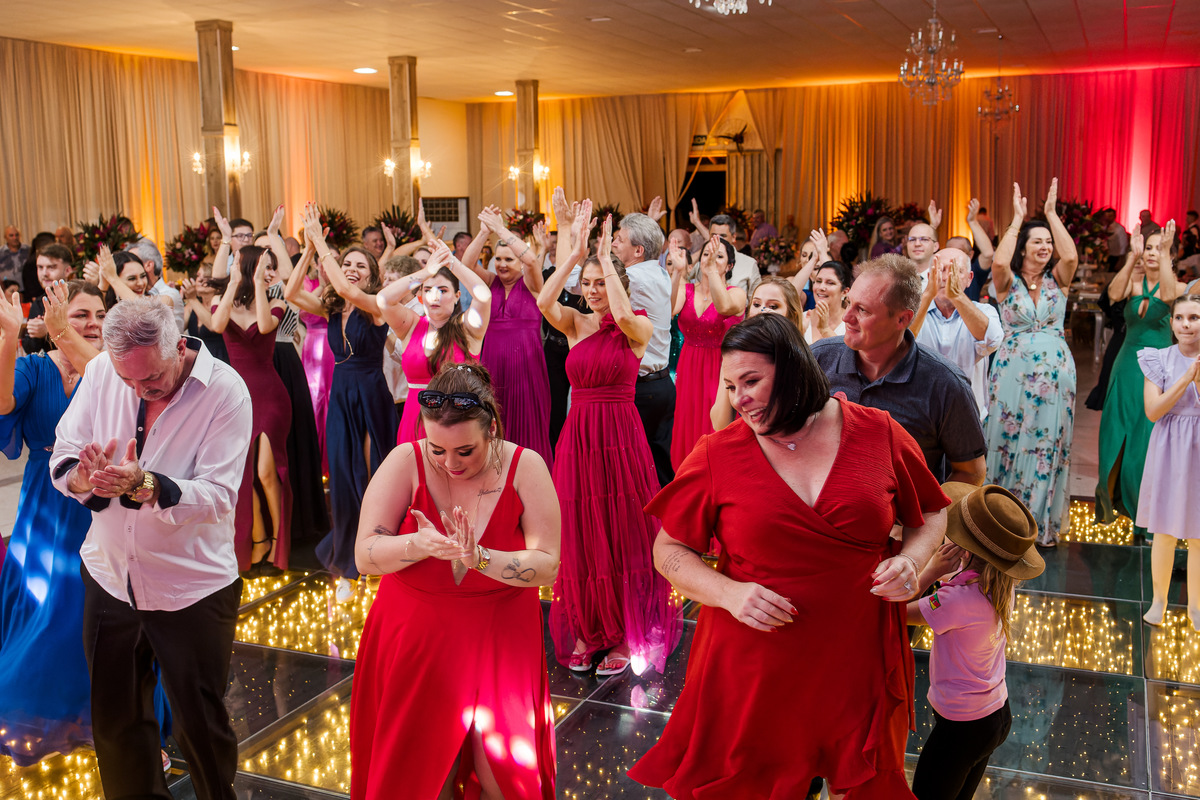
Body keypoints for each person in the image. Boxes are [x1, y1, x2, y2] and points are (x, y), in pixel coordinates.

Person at [629, 312, 951, 799]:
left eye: (752, 381)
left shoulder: (878, 432)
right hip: (756, 664)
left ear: (794, 367)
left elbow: (931, 511)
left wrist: (912, 560)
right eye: (731, 386)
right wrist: (728, 593)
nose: (740, 400)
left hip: (853, 657)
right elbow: (668, 550)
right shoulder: (717, 453)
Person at [49, 296, 252, 800]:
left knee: (199, 727)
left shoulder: (227, 392)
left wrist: (148, 485)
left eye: (152, 381)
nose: (139, 391)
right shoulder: (101, 374)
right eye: (128, 382)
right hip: (109, 575)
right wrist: (83, 474)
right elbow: (64, 451)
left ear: (179, 347)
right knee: (118, 725)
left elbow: (220, 495)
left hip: (192, 586)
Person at [350, 363, 560, 799]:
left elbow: (546, 565)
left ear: (492, 429)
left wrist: (479, 557)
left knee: (506, 774)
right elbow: (364, 555)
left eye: (465, 451)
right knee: (421, 777)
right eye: (437, 450)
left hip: (501, 636)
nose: (451, 463)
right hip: (417, 636)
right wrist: (417, 546)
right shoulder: (404, 460)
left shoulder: (527, 466)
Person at [538, 207, 679, 676]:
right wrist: (574, 255)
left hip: (620, 435)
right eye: (589, 283)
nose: (593, 291)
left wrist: (603, 262)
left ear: (618, 284)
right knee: (580, 528)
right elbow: (543, 301)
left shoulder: (637, 326)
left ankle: (620, 631)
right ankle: (585, 626)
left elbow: (619, 312)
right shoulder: (575, 324)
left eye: (602, 282)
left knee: (620, 529)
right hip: (579, 435)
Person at [0, 281, 103, 764]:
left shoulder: (107, 373)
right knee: (45, 608)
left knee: (86, 608)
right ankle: (43, 710)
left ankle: (98, 711)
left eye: (100, 314)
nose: (93, 323)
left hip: (96, 499)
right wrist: (9, 339)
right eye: (81, 314)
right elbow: (2, 406)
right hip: (44, 503)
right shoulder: (34, 369)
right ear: (59, 318)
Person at [285, 204, 400, 602]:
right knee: (343, 481)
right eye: (347, 263)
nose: (352, 269)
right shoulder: (333, 308)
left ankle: (379, 554)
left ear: (372, 274)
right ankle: (350, 564)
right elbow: (290, 293)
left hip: (370, 396)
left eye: (360, 265)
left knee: (372, 478)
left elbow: (351, 290)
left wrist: (320, 240)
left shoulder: (377, 305)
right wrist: (309, 253)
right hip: (341, 398)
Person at [907, 483, 1044, 800]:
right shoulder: (999, 584)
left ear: (964, 549)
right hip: (995, 714)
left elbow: (894, 612)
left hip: (962, 728)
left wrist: (928, 572)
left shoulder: (955, 601)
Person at [811, 254, 987, 485]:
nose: (846, 317)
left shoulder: (945, 383)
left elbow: (971, 472)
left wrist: (926, 518)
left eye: (863, 310)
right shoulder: (819, 358)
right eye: (848, 303)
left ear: (903, 319)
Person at [986, 180, 1079, 546]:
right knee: (1005, 438)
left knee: (1047, 445)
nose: (1045, 247)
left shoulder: (1059, 280)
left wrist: (1052, 215)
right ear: (1023, 247)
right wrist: (1018, 220)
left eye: (1048, 242)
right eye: (1037, 241)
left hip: (1056, 376)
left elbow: (1070, 256)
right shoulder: (1007, 283)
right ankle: (999, 519)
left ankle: (1038, 526)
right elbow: (997, 259)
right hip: (1012, 374)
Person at [209, 244, 293, 574]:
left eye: (270, 267)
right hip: (236, 398)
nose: (269, 271)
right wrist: (233, 282)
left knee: (267, 473)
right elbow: (216, 326)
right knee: (241, 476)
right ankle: (257, 540)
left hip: (270, 394)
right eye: (263, 266)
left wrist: (259, 283)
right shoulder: (224, 301)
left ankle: (279, 544)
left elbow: (264, 324)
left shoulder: (275, 301)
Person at [1095, 223, 1181, 532]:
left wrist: (1168, 255)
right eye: (1150, 247)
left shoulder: (1177, 287)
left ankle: (1143, 508)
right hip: (1127, 366)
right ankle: (1112, 500)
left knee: (1146, 439)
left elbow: (1170, 295)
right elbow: (1113, 294)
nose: (1153, 253)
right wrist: (1132, 259)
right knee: (1116, 432)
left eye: (1160, 247)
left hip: (1160, 369)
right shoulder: (1133, 281)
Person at [376, 234, 491, 446]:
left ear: (457, 296)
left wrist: (453, 262)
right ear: (420, 297)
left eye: (443, 290)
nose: (434, 296)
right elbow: (383, 299)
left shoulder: (468, 328)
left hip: (457, 419)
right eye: (428, 290)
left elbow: (483, 296)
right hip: (415, 419)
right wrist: (426, 272)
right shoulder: (411, 325)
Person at [473, 207, 555, 469]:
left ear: (518, 261)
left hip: (527, 366)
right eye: (498, 259)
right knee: (496, 421)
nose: (502, 264)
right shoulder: (490, 282)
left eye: (508, 259)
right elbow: (465, 264)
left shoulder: (533, 283)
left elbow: (531, 260)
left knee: (529, 422)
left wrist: (500, 229)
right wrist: (484, 232)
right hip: (493, 365)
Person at [1136, 294, 1200, 630]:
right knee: (1163, 528)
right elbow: (1153, 411)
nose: (1186, 325)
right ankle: (1159, 600)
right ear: (1171, 322)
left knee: (1199, 532)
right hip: (1169, 446)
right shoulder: (1157, 358)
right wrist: (1187, 379)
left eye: (1194, 317)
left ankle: (1197, 605)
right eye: (1180, 318)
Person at [668, 235, 745, 470]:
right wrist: (677, 273)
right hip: (689, 364)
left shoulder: (737, 293)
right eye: (706, 255)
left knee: (714, 424)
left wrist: (711, 273)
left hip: (720, 367)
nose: (710, 259)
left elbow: (723, 307)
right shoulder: (686, 289)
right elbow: (668, 310)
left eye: (718, 256)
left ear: (730, 266)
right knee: (686, 423)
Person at [911, 249, 1004, 419]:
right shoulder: (913, 311)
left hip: (967, 415)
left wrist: (957, 297)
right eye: (941, 270)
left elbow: (992, 340)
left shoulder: (984, 310)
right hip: (921, 414)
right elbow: (899, 344)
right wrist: (927, 295)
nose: (946, 278)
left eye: (956, 271)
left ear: (969, 279)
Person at [709, 276, 804, 431]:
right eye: (757, 304)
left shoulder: (803, 353)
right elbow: (720, 423)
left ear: (791, 314)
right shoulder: (737, 354)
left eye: (773, 306)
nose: (762, 311)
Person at [688, 203, 759, 297]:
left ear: (734, 237)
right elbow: (683, 276)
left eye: (723, 236)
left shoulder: (749, 264)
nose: (718, 240)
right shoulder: (703, 261)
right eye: (714, 236)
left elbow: (755, 300)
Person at [21, 243, 74, 354]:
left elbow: (85, 338)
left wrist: (48, 331)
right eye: (40, 267)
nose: (44, 273)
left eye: (51, 267)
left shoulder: (80, 297)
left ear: (68, 271)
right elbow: (29, 348)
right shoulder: (40, 302)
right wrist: (36, 333)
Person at [803, 260, 853, 344]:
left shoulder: (851, 324)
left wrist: (825, 330)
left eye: (830, 283)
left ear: (845, 292)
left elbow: (847, 355)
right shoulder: (802, 318)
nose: (821, 287)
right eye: (818, 281)